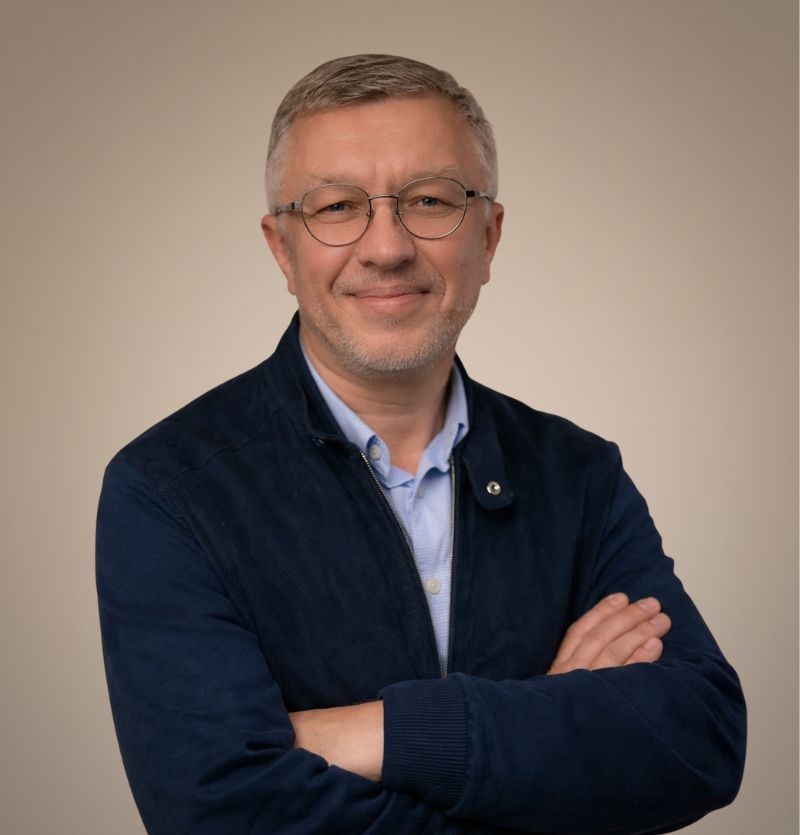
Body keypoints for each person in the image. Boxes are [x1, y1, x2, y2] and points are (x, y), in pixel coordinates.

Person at [96, 54, 746, 834]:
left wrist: (377, 732)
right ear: (281, 249)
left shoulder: (579, 475)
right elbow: (220, 809)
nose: (386, 247)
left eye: (431, 200)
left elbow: (700, 739)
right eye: (337, 207)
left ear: (490, 235)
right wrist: (550, 722)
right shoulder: (169, 488)